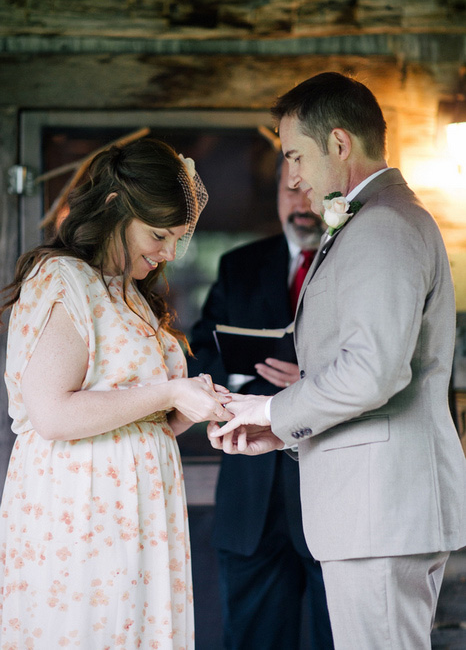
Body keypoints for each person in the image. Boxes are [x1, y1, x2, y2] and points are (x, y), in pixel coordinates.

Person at [208, 72, 466, 649]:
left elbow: (373, 370)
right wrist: (290, 435)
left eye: (296, 155)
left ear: (340, 144)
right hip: (374, 511)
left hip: (378, 512)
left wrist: (274, 413)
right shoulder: (372, 220)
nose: (293, 176)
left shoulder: (381, 226)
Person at [0, 138, 231, 648]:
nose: (170, 252)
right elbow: (54, 414)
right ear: (112, 208)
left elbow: (142, 416)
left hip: (138, 516)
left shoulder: (130, 292)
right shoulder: (63, 280)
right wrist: (168, 389)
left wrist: (189, 405)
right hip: (83, 513)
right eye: (158, 235)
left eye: (177, 238)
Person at [188, 158, 333, 649]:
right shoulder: (240, 265)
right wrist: (237, 378)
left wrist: (310, 381)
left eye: (307, 190)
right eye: (288, 191)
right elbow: (201, 350)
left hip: (331, 493)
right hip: (250, 499)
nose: (299, 203)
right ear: (275, 196)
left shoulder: (350, 264)